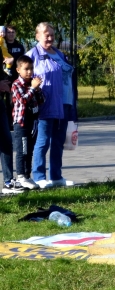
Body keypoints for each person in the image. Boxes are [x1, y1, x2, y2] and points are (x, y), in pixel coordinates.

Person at [27, 22, 76, 189]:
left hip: (65, 103)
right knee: (43, 141)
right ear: (37, 36)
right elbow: (24, 77)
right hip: (46, 104)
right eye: (46, 34)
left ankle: (56, 177)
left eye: (52, 35)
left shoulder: (59, 54)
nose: (50, 38)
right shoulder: (33, 54)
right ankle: (39, 176)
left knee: (58, 141)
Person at [10, 55, 42, 190]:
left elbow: (41, 101)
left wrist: (39, 91)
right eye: (26, 69)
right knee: (22, 150)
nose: (29, 72)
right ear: (18, 70)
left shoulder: (31, 84)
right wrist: (33, 89)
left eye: (31, 69)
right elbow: (22, 100)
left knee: (29, 150)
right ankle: (21, 176)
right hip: (21, 124)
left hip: (32, 122)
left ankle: (27, 176)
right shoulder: (16, 84)